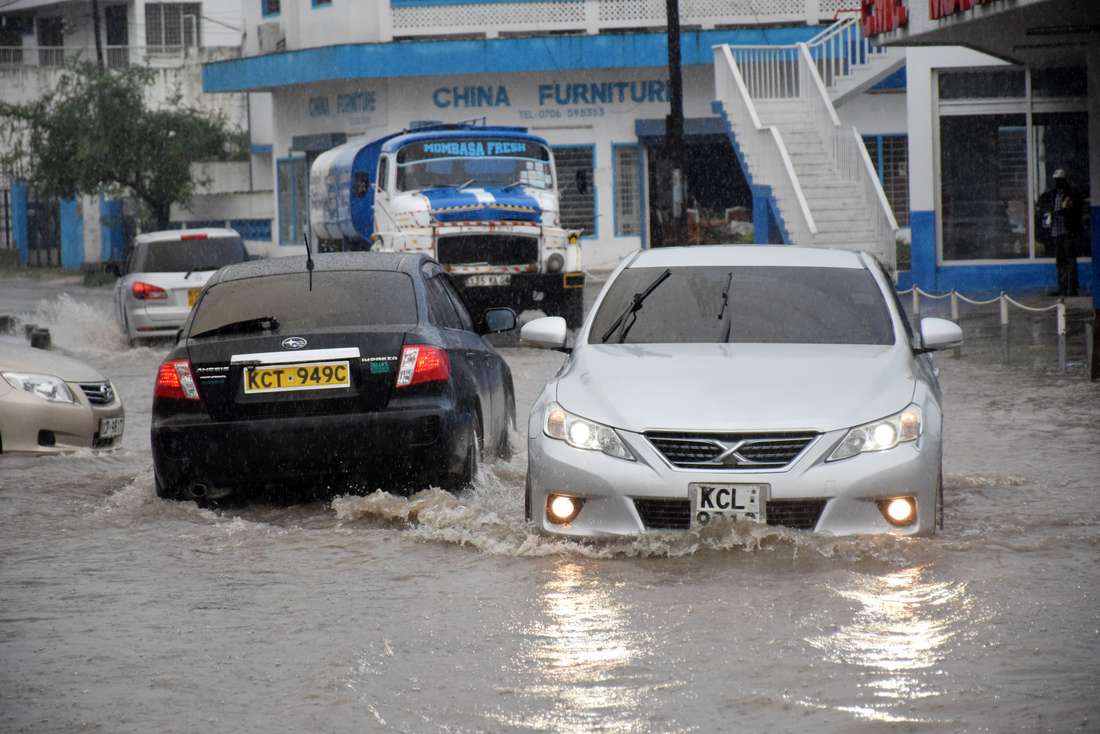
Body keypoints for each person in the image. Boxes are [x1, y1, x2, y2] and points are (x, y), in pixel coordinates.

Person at [1037, 169, 1082, 297]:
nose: (1058, 183)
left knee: (1070, 260)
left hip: (1068, 231)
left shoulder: (1071, 194)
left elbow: (1073, 211)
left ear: (1064, 180)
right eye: (1056, 180)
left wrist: (1063, 212)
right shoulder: (1053, 194)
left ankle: (1071, 288)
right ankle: (1062, 288)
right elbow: (1043, 202)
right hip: (1056, 231)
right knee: (1060, 261)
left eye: (1060, 180)